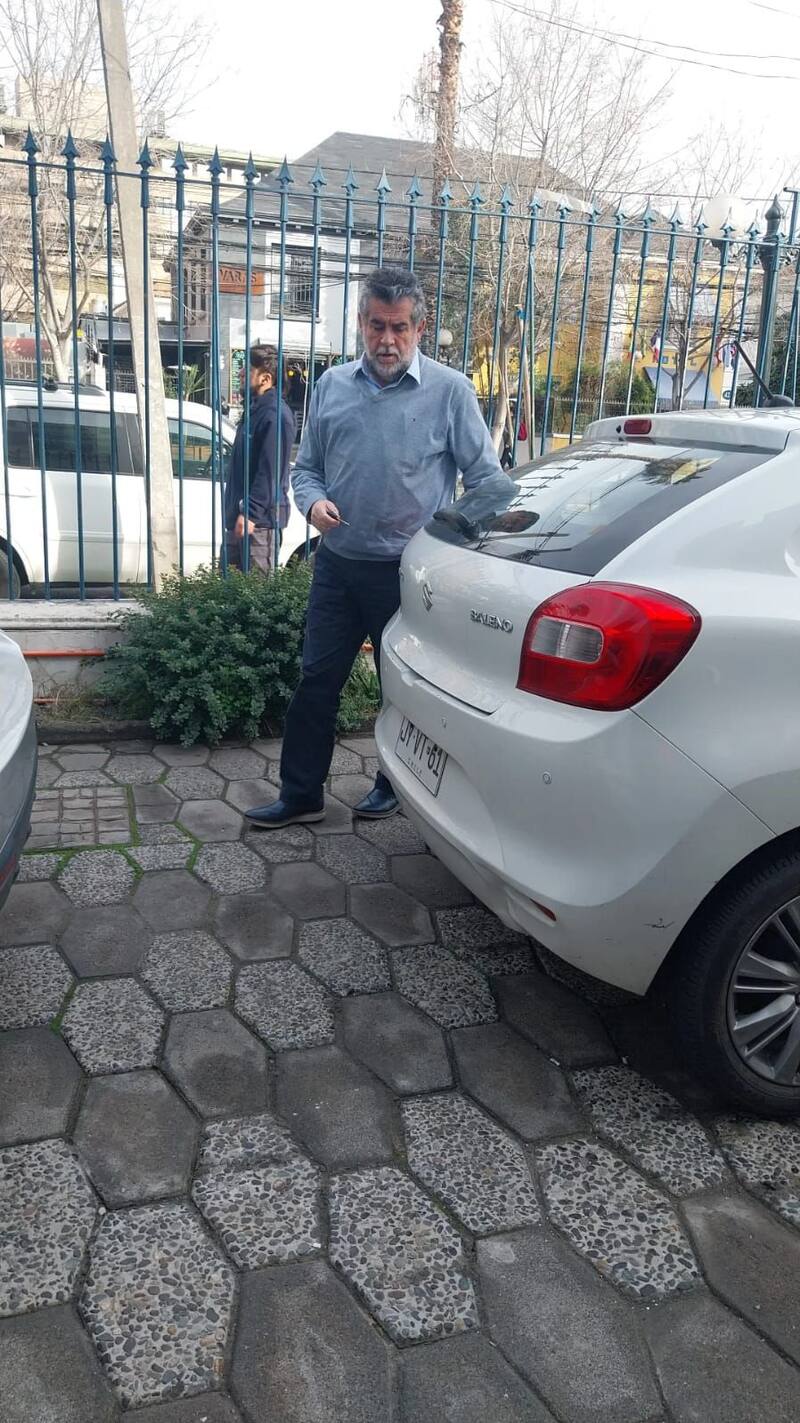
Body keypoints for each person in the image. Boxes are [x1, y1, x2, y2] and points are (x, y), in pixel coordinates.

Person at [245, 266, 512, 830]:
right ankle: (301, 795)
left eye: (399, 328)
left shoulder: (450, 392)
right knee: (317, 680)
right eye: (376, 327)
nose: (386, 340)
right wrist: (314, 504)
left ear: (419, 329)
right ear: (361, 324)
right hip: (338, 567)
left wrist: (446, 534)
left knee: (403, 688)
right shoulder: (331, 386)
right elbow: (307, 470)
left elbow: (491, 486)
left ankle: (392, 786)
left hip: (409, 575)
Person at [223, 343, 295, 572]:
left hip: (259, 525)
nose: (241, 373)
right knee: (227, 588)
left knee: (256, 588)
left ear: (265, 378)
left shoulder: (275, 415)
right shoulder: (254, 411)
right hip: (241, 520)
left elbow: (269, 472)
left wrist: (250, 514)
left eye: (248, 369)